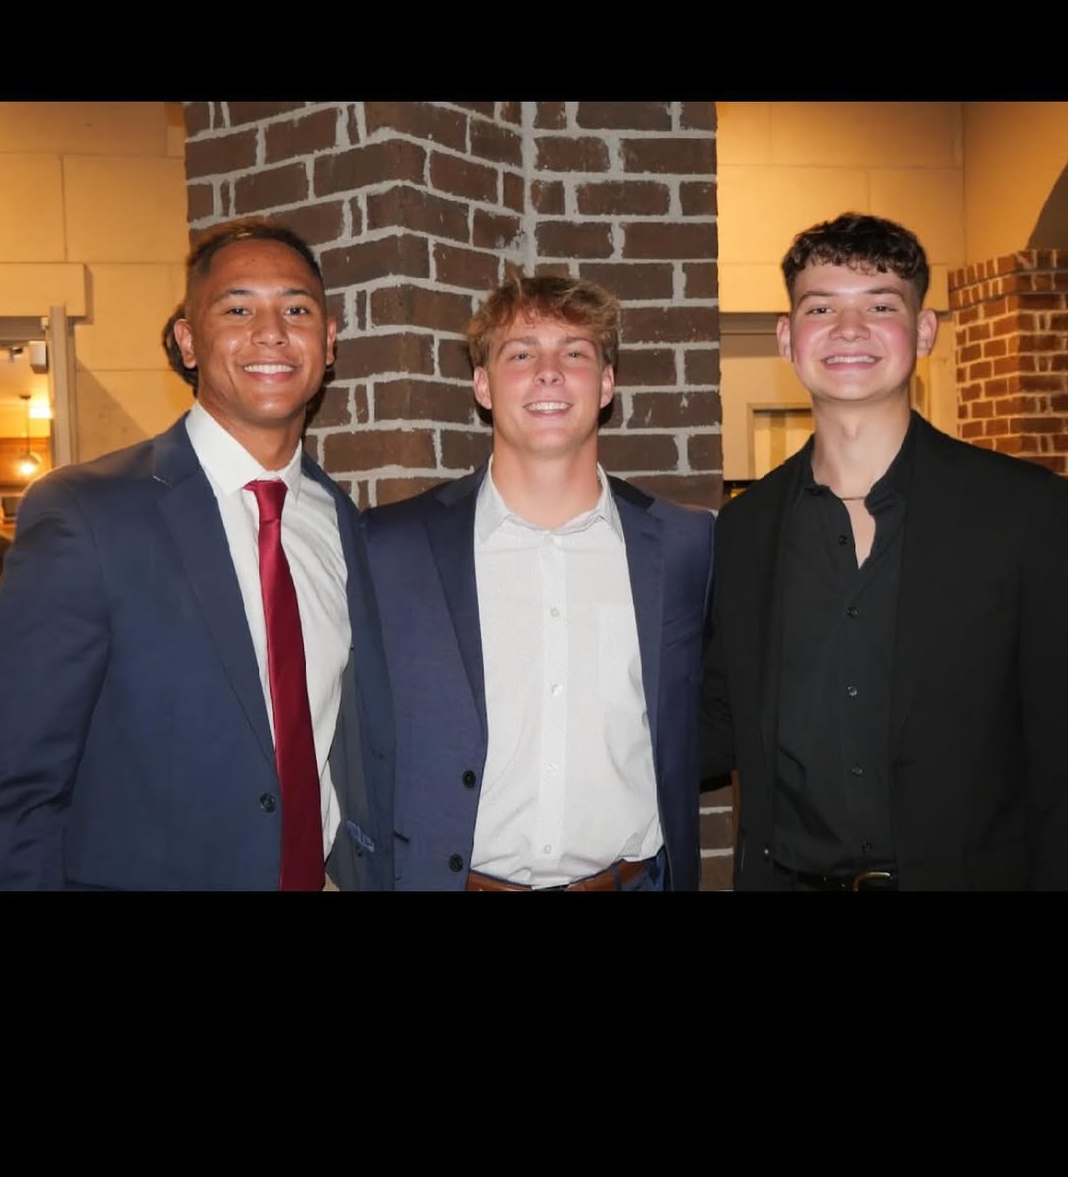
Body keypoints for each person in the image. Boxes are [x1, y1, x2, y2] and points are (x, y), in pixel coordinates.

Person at [0, 218, 394, 891]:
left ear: (328, 344)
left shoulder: (343, 524)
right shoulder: (87, 513)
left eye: (296, 310)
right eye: (238, 309)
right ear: (187, 341)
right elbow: (13, 782)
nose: (272, 332)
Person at [701, 212, 1068, 891]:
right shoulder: (744, 528)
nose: (848, 329)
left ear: (924, 331)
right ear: (786, 338)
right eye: (820, 308)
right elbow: (722, 716)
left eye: (880, 305)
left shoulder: (1029, 513)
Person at [362, 273, 714, 891]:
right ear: (483, 384)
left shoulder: (686, 545)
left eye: (574, 353)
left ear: (607, 383)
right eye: (521, 355)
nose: (549, 373)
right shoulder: (393, 546)